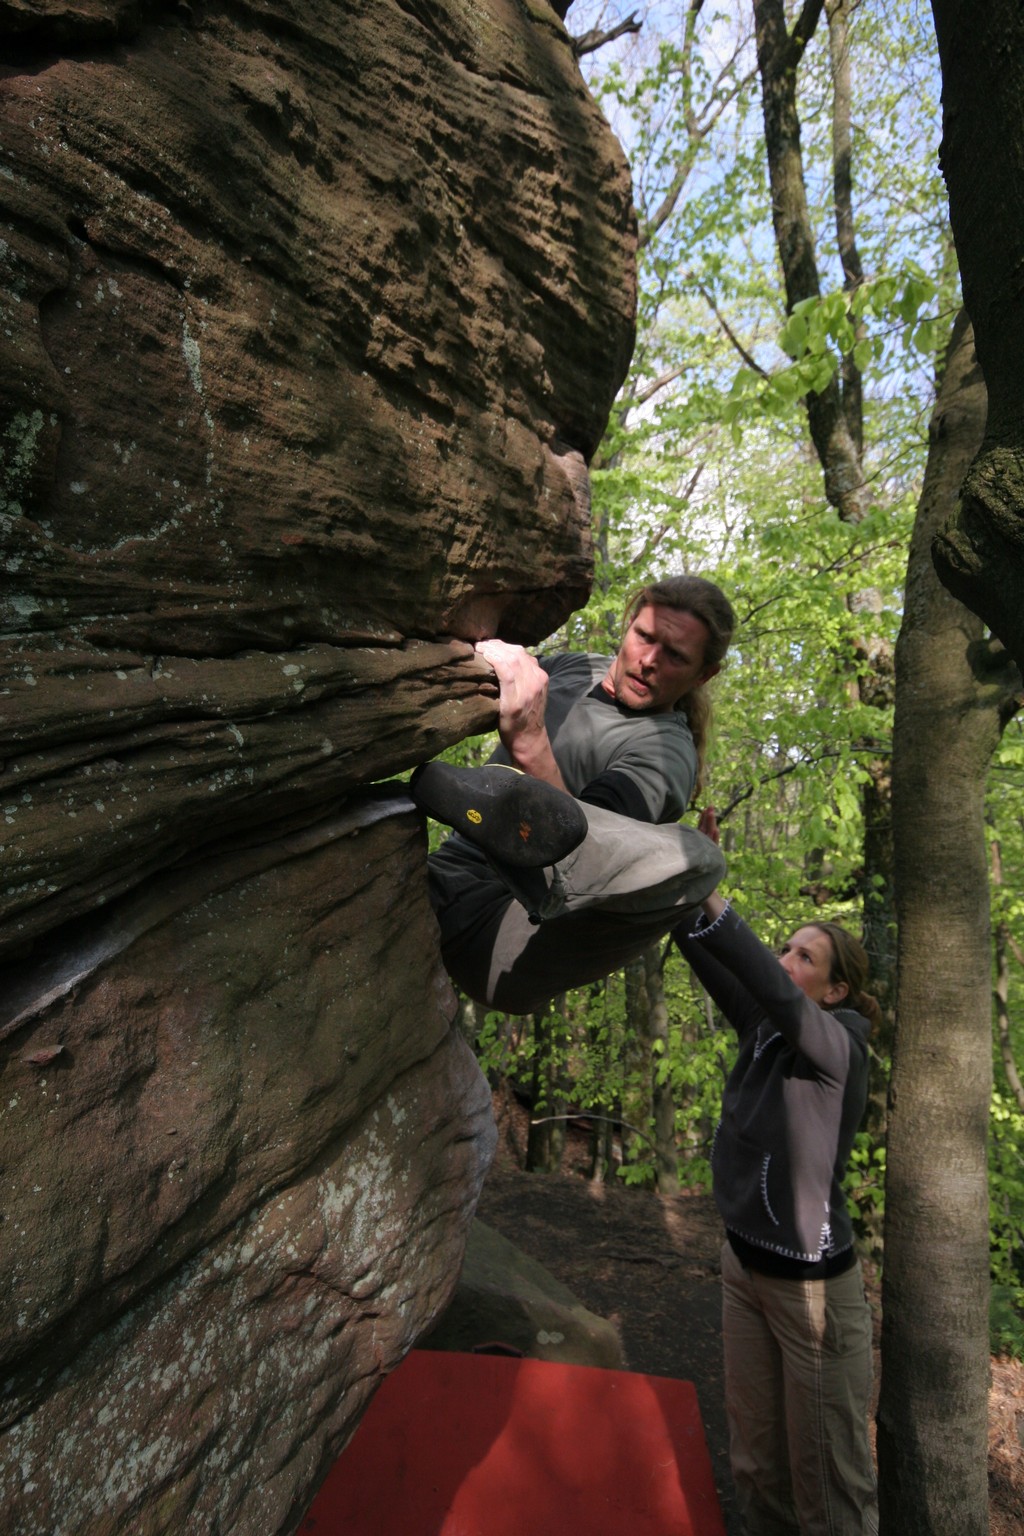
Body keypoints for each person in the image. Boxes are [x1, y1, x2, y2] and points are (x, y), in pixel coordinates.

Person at [410, 574, 735, 1014]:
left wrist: (530, 742)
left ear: (704, 674)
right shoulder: (574, 667)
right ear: (629, 625)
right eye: (644, 637)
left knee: (699, 859)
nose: (649, 660)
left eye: (675, 655)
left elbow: (584, 861)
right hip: (447, 879)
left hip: (515, 931)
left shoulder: (665, 754)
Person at [674, 870, 880, 1536]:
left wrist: (714, 890)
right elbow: (702, 947)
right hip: (744, 1272)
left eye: (805, 957)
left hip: (812, 1296)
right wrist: (677, 877)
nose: (787, 962)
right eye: (785, 949)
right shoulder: (764, 1024)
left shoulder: (839, 1045)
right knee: (757, 1469)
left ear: (836, 988)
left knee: (831, 1489)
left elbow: (766, 983)